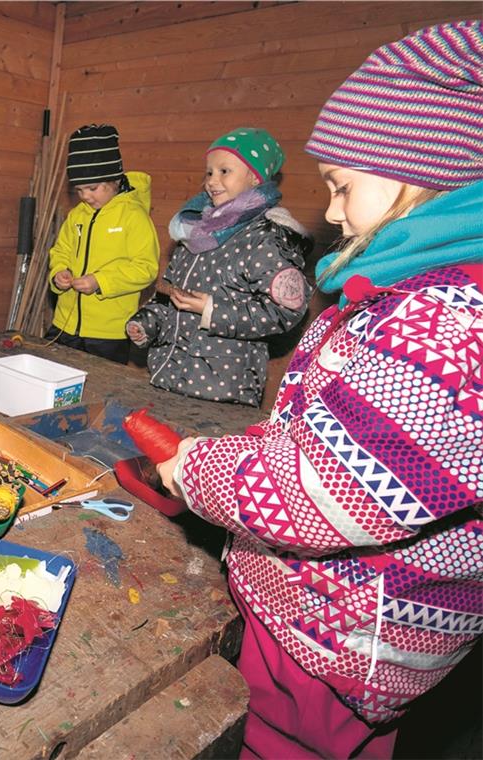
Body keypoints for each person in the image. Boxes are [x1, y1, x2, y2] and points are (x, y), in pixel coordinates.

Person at [157, 21, 483, 759]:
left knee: (286, 744)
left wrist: (196, 468)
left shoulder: (446, 322)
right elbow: (339, 430)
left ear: (416, 165)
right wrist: (253, 446)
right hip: (323, 620)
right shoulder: (407, 293)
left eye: (341, 185)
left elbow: (319, 491)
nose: (330, 213)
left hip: (341, 638)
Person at [127, 128, 311, 406]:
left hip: (223, 391)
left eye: (225, 171)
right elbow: (168, 296)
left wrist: (213, 311)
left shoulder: (265, 238)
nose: (213, 181)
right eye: (209, 172)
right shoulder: (195, 231)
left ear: (255, 176)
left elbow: (284, 310)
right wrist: (147, 324)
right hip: (168, 375)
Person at [46, 124, 159, 364]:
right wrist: (59, 273)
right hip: (65, 324)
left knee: (99, 392)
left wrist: (100, 281)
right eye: (79, 189)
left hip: (108, 334)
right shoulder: (77, 215)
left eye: (92, 188)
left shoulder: (133, 216)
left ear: (115, 180)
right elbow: (60, 251)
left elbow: (145, 268)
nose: (86, 196)